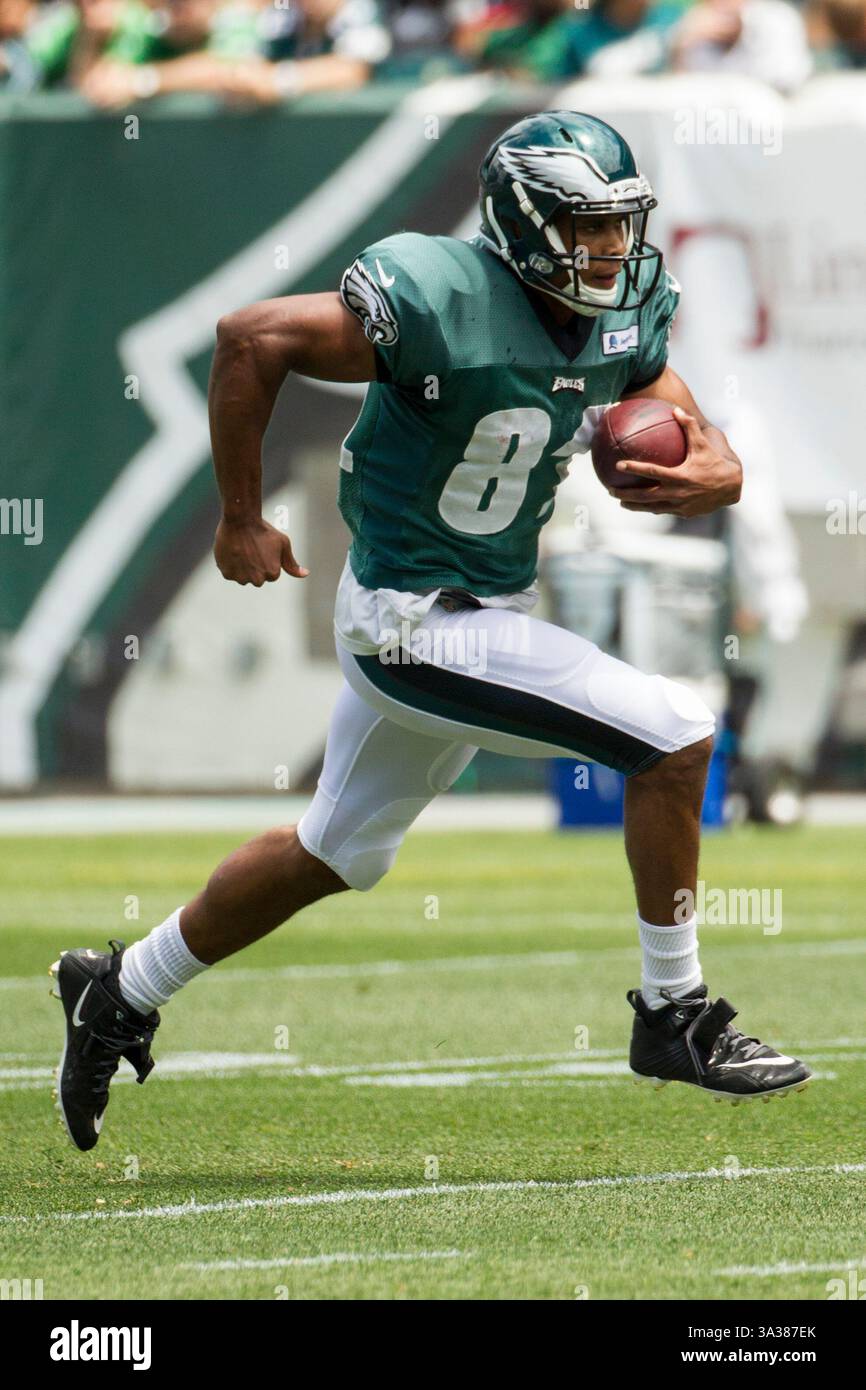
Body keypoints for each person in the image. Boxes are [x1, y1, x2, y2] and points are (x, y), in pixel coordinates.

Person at [50, 109, 812, 1151]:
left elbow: (662, 400)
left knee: (333, 849)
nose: (608, 250)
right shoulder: (438, 295)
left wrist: (717, 463)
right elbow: (249, 337)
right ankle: (671, 1013)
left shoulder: (622, 302)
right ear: (521, 220)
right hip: (411, 617)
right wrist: (237, 518)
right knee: (673, 734)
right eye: (584, 227)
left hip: (483, 609)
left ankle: (120, 986)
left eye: (617, 226)